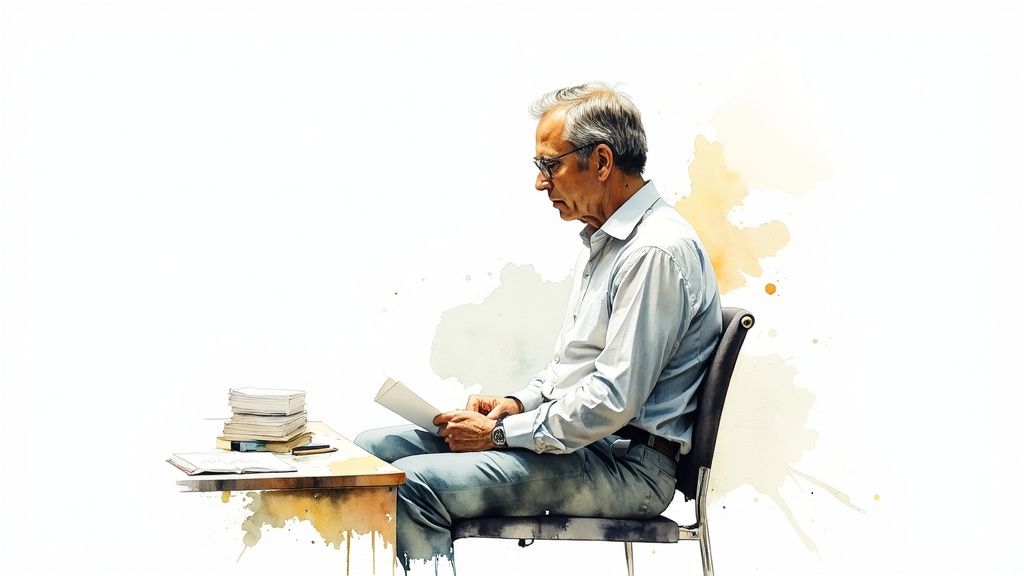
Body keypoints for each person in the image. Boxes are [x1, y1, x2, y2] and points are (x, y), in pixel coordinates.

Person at [355, 82, 722, 574]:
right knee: (370, 456)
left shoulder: (653, 252)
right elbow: (575, 369)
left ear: (602, 161)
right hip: (592, 446)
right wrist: (516, 404)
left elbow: (612, 399)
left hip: (628, 468)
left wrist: (499, 434)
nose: (540, 183)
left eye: (550, 165)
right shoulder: (610, 242)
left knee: (409, 486)